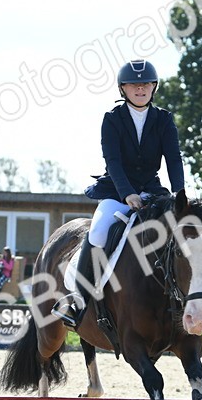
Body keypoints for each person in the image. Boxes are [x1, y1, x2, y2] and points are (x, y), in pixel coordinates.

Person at [53, 59, 185, 328]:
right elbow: (112, 161)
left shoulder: (164, 119)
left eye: (146, 84)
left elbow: (173, 158)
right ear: (123, 88)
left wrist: (180, 194)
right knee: (98, 233)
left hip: (153, 191)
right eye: (134, 85)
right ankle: (78, 301)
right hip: (116, 190)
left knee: (187, 231)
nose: (140, 89)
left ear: (154, 87)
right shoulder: (112, 119)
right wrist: (127, 194)